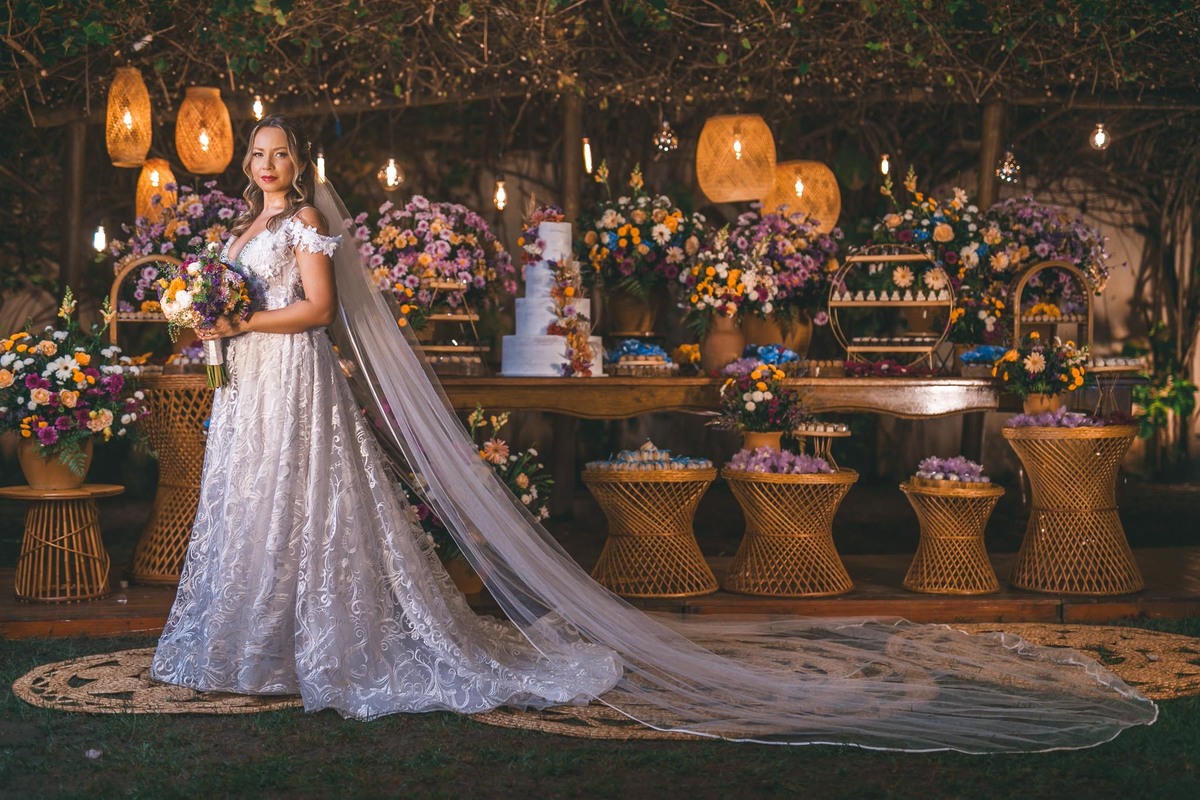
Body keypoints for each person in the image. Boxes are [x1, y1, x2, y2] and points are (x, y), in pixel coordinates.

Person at [153, 115, 1156, 750]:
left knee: (305, 502)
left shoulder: (306, 229)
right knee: (249, 501)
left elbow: (321, 310)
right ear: (248, 163)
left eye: (283, 153)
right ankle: (249, 644)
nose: (272, 164)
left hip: (289, 371)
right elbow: (235, 296)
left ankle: (324, 643)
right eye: (261, 154)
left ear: (298, 163)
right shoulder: (241, 229)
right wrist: (212, 316)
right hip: (250, 382)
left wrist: (242, 318)